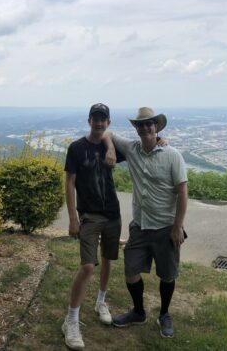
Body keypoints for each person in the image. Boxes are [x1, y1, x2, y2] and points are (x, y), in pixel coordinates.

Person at [102, 107, 188, 339]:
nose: (145, 127)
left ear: (156, 127)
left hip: (166, 227)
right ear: (136, 128)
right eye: (140, 124)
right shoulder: (132, 149)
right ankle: (139, 312)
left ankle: (165, 314)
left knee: (167, 275)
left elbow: (182, 192)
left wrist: (178, 226)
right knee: (131, 271)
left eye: (149, 124)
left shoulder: (172, 155)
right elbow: (107, 133)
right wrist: (110, 148)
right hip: (140, 225)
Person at [61, 103, 124, 351]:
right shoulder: (76, 148)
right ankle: (71, 320)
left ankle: (100, 302)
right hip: (88, 215)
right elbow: (69, 183)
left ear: (108, 122)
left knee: (108, 258)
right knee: (88, 266)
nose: (99, 123)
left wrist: (161, 140)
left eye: (103, 119)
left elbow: (141, 148)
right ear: (89, 121)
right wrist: (73, 218)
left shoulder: (114, 146)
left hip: (112, 213)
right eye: (95, 119)